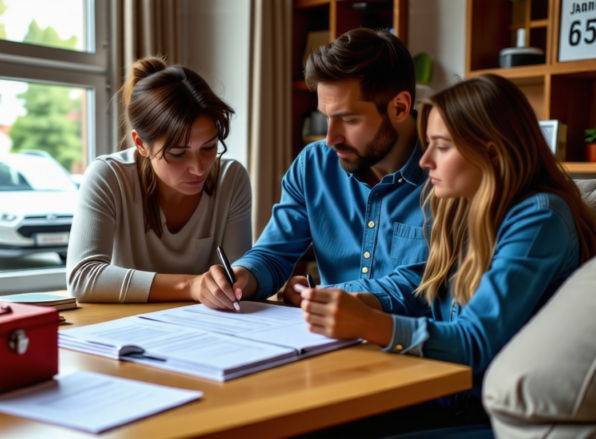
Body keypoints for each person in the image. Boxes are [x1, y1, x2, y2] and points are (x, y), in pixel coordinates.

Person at [297, 74, 596, 436]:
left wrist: (369, 323)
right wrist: (364, 299)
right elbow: (427, 281)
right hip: (442, 393)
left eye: (441, 146)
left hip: (484, 414)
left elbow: (475, 341)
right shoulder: (461, 206)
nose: (424, 161)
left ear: (491, 151)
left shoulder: (540, 217)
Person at [196, 28, 428, 310]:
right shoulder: (314, 165)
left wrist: (326, 294)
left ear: (400, 107)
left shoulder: (449, 172)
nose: (330, 139)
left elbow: (428, 283)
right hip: (327, 341)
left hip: (413, 348)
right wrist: (242, 276)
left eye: (349, 119)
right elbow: (273, 254)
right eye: (326, 117)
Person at [66, 57, 252, 303]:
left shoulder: (231, 178)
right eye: (177, 154)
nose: (198, 169)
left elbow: (239, 276)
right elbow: (83, 276)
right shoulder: (108, 176)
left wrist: (244, 280)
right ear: (141, 144)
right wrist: (190, 286)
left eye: (208, 147)